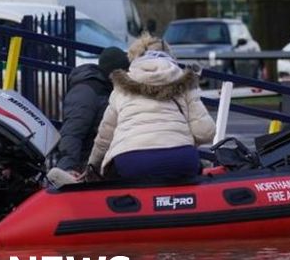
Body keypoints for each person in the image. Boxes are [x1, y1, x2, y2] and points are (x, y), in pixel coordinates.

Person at [87, 49, 216, 179]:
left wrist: (92, 165)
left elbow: (105, 136)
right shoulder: (184, 84)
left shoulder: (121, 88)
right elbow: (205, 132)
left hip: (131, 160)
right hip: (181, 158)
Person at [47, 46, 130, 187]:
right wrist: (67, 169)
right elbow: (72, 133)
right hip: (86, 165)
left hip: (100, 162)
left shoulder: (106, 89)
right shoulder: (87, 92)